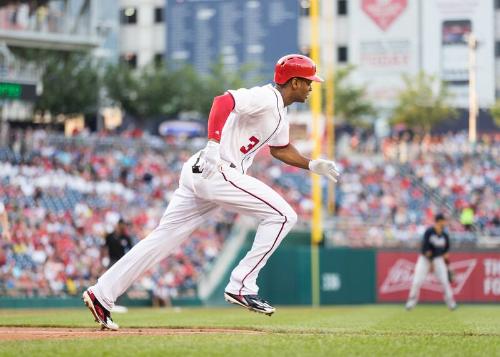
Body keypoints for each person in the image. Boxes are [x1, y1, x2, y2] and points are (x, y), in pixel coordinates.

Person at [83, 54, 340, 330]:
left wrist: (311, 164)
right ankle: (241, 284)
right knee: (284, 216)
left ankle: (101, 294)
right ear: (295, 82)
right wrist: (213, 143)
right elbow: (224, 101)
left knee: (163, 239)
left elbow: (280, 149)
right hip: (217, 169)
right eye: (309, 82)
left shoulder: (280, 111)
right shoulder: (266, 98)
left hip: (200, 173)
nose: (312, 87)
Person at [405, 213, 457, 311]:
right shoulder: (429, 232)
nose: (445, 222)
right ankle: (411, 302)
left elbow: (445, 253)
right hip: (425, 259)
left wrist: (448, 266)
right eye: (444, 220)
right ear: (439, 221)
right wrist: (431, 264)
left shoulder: (445, 235)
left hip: (438, 260)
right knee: (417, 281)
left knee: (445, 282)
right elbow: (425, 249)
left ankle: (451, 303)